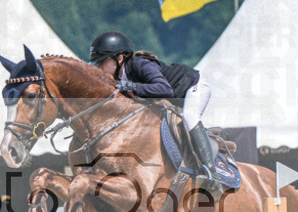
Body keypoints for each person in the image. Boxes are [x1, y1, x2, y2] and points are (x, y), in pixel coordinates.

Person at [88, 31, 221, 193]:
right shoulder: (117, 79)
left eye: (102, 62)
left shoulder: (140, 64)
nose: (99, 68)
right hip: (172, 100)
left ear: (120, 58)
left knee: (190, 116)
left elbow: (165, 89)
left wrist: (132, 87)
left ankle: (211, 174)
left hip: (192, 88)